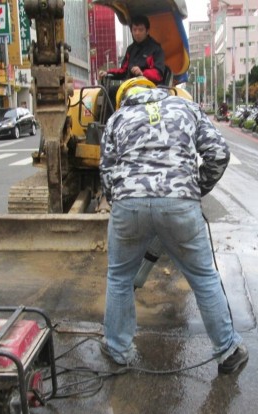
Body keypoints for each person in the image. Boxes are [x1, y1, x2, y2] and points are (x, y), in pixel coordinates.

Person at [99, 79, 248, 374]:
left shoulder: (117, 118)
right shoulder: (186, 107)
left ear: (125, 96)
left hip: (129, 204)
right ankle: (227, 351)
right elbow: (219, 153)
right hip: (180, 204)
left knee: (119, 276)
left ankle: (117, 349)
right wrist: (194, 189)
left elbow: (106, 172)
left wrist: (120, 200)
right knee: (204, 277)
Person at [98, 15, 165, 84]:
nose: (137, 33)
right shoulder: (130, 49)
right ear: (131, 31)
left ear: (147, 31)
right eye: (134, 30)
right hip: (130, 87)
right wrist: (107, 72)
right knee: (107, 91)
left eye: (140, 30)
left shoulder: (156, 49)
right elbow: (123, 71)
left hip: (149, 89)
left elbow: (158, 74)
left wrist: (142, 73)